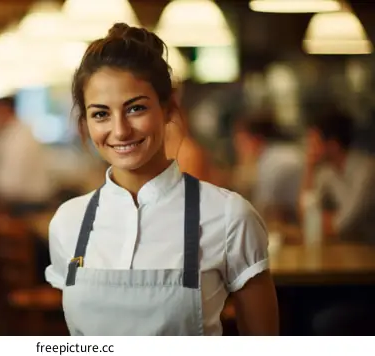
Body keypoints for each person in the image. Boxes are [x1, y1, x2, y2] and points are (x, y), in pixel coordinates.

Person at [44, 23, 279, 336]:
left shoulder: (229, 216)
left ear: (168, 109)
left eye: (136, 108)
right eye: (101, 114)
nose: (120, 130)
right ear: (85, 123)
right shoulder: (67, 223)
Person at [301, 109, 375, 244]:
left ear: (333, 145)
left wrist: (319, 220)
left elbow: (343, 226)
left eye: (314, 143)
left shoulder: (367, 172)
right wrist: (309, 169)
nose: (309, 150)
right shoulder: (327, 171)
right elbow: (306, 215)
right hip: (349, 249)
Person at [232, 112, 304, 225]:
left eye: (240, 140)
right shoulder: (283, 151)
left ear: (255, 139)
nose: (237, 146)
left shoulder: (270, 162)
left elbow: (263, 212)